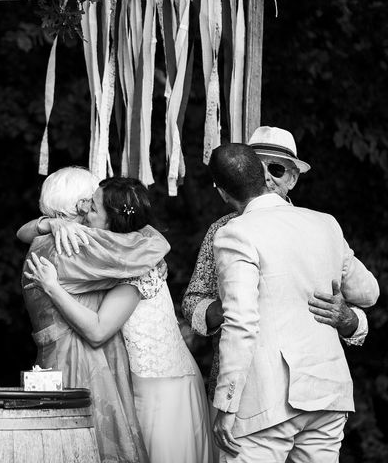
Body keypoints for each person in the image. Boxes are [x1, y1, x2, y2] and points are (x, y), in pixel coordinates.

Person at [208, 143, 379, 461]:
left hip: (267, 399)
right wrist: (349, 313)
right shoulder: (325, 223)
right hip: (328, 390)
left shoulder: (235, 233)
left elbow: (241, 322)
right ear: (262, 176)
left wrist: (227, 404)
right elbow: (369, 292)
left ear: (220, 191)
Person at [25, 177, 213, 463]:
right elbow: (24, 232)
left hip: (160, 388)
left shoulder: (130, 261)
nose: (85, 209)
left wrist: (52, 286)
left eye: (93, 207)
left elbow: (98, 331)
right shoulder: (126, 246)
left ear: (112, 222)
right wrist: (48, 223)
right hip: (142, 381)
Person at [182, 126, 369, 404]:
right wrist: (226, 307)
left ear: (293, 178)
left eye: (277, 169)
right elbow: (192, 301)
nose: (267, 177)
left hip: (316, 390)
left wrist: (349, 319)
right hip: (246, 389)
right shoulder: (223, 230)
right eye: (259, 167)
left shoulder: (320, 227)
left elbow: (367, 294)